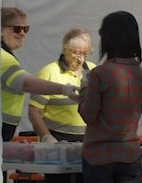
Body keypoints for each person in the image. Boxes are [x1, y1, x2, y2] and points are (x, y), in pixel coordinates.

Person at [78, 11, 142, 183]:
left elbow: (88, 115)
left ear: (109, 37)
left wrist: (83, 91)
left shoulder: (99, 74)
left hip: (99, 155)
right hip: (130, 153)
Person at [0, 7, 78, 142]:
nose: (23, 33)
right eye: (17, 29)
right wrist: (64, 89)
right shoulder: (3, 57)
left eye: (26, 29)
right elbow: (26, 83)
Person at [28, 28, 96, 183]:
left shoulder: (93, 70)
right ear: (65, 50)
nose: (81, 59)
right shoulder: (49, 72)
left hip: (88, 140)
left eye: (86, 53)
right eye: (76, 53)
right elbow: (34, 111)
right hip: (58, 140)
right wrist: (47, 138)